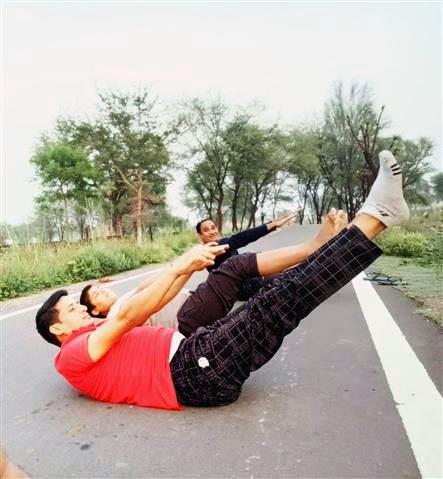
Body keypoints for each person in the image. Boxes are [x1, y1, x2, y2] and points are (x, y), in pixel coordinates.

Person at [36, 151, 409, 410]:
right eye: (71, 308)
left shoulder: (89, 337)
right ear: (57, 328)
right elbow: (127, 317)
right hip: (191, 372)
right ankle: (375, 217)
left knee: (275, 295)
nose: (80, 309)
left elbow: (148, 306)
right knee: (277, 303)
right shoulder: (71, 355)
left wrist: (184, 268)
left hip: (194, 353)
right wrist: (177, 267)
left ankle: (356, 228)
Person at [79, 208, 344, 334]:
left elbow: (150, 284)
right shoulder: (113, 318)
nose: (104, 290)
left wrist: (176, 267)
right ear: (96, 311)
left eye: (101, 287)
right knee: (239, 266)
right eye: (97, 294)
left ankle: (321, 264)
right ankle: (316, 248)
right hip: (189, 315)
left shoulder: (125, 298)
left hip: (193, 302)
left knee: (283, 281)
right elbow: (139, 322)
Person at [196, 211, 299, 300]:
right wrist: (270, 225)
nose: (212, 232)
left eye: (213, 228)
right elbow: (241, 238)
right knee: (289, 270)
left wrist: (271, 225)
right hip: (243, 288)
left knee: (281, 263)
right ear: (200, 236)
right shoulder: (211, 250)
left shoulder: (221, 243)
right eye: (206, 230)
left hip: (246, 280)